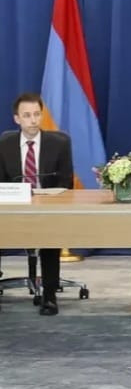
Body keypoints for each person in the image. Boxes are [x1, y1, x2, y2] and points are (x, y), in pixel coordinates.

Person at [0, 92, 74, 315]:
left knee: (49, 234)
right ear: (17, 119)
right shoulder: (5, 144)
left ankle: (49, 295)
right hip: (13, 209)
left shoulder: (59, 143)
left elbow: (65, 183)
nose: (33, 120)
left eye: (37, 114)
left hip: (48, 208)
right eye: (27, 115)